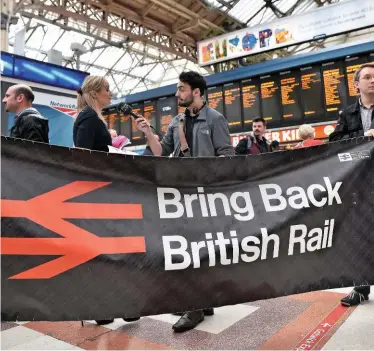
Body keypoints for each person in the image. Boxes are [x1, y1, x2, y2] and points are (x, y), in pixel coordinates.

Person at [135, 71, 234, 332]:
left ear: (196, 92)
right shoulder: (176, 121)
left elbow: (227, 157)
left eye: (181, 89)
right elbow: (161, 153)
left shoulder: (215, 120)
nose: (177, 94)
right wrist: (147, 133)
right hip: (182, 196)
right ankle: (202, 301)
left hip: (206, 197)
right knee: (190, 249)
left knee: (198, 250)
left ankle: (195, 307)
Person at [329, 63, 373, 307]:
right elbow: (335, 141)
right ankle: (360, 287)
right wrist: (362, 138)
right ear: (356, 84)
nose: (372, 80)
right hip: (359, 181)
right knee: (360, 234)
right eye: (367, 77)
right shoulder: (347, 114)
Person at [73, 76, 113, 152]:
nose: (111, 93)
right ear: (94, 94)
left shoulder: (89, 115)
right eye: (107, 90)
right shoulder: (90, 116)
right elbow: (82, 153)